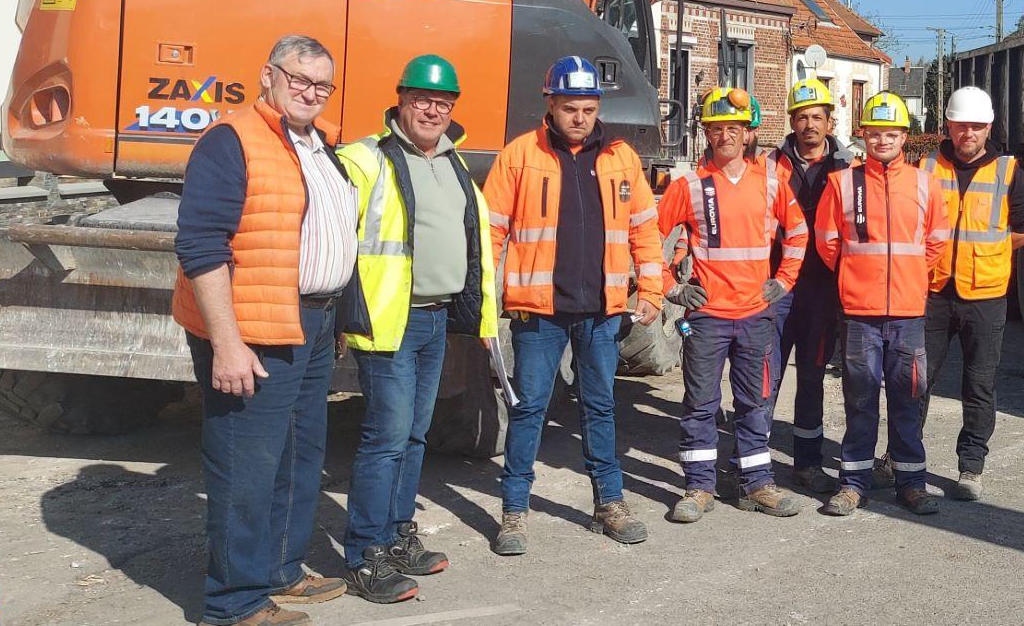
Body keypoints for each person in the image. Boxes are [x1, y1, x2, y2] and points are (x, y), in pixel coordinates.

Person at [173, 35, 362, 626]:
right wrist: (226, 342)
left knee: (299, 455)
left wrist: (335, 316)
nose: (310, 93)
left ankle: (279, 569)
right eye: (298, 79)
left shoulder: (317, 143)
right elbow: (201, 245)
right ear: (268, 76)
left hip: (310, 319)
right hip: (253, 326)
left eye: (322, 85)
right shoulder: (231, 140)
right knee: (246, 464)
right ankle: (234, 602)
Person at [482, 56, 663, 555]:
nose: (579, 117)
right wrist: (480, 303)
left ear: (597, 107)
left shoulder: (622, 158)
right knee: (529, 410)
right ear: (551, 106)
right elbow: (489, 233)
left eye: (587, 108)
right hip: (538, 314)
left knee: (601, 407)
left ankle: (609, 504)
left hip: (601, 312)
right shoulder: (519, 156)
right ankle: (514, 511)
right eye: (569, 108)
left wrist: (651, 291)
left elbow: (645, 227)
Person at [334, 55, 498, 603]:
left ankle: (398, 535)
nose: (433, 109)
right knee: (385, 438)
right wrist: (340, 313)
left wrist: (483, 317)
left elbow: (475, 244)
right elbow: (334, 239)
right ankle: (365, 555)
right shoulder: (365, 159)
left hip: (435, 319)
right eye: (423, 99)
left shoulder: (453, 164)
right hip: (388, 322)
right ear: (400, 100)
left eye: (443, 102)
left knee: (413, 435)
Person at [656, 87, 813, 522]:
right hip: (707, 317)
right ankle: (699, 487)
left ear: (748, 134)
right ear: (706, 134)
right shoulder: (687, 185)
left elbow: (798, 234)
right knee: (701, 404)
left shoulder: (770, 180)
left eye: (735, 128)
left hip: (755, 316)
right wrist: (672, 288)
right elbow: (649, 238)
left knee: (755, 403)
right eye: (717, 128)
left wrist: (784, 280)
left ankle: (757, 484)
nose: (726, 136)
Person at [899, 86, 1024, 502]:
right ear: (948, 127)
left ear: (989, 128)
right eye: (961, 126)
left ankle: (970, 467)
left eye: (976, 127)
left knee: (979, 386)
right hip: (934, 292)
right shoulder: (925, 167)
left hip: (986, 297)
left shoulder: (1010, 173)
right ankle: (903, 458)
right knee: (916, 382)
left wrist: (981, 258)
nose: (968, 134)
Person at [815, 92, 949, 517]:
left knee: (908, 400)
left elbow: (937, 241)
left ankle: (911, 483)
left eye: (891, 134)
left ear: (904, 137)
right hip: (860, 313)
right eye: (875, 133)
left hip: (908, 312)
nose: (883, 141)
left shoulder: (925, 183)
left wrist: (909, 278)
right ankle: (854, 483)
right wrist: (857, 277)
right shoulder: (843, 182)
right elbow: (827, 241)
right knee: (860, 400)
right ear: (864, 136)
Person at [767, 78, 853, 493]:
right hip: (777, 286)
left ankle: (807, 462)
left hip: (823, 288)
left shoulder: (849, 168)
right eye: (801, 117)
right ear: (792, 122)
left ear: (829, 121)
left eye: (816, 117)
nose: (809, 125)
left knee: (813, 376)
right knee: (765, 374)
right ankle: (748, 461)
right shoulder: (770, 165)